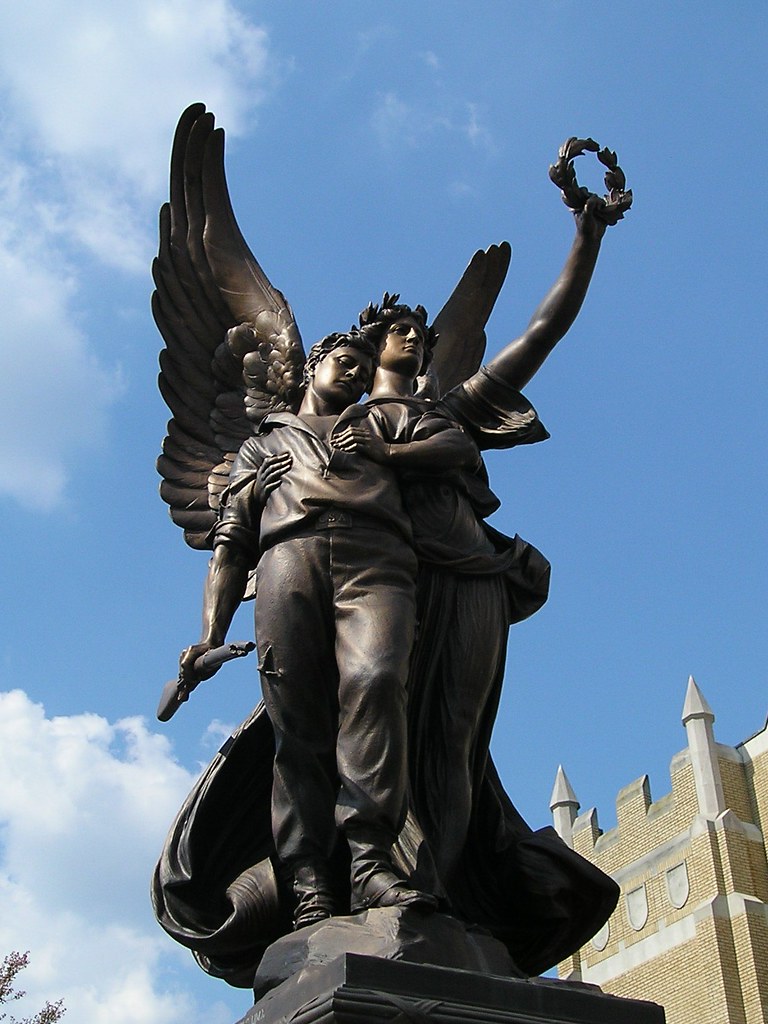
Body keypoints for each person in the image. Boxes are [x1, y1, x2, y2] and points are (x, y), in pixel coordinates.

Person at [178, 330, 477, 929]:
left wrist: (387, 453)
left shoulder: (381, 421)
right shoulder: (264, 444)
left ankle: (371, 862)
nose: (357, 376)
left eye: (365, 370)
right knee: (298, 725)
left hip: (377, 560)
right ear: (313, 365)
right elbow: (230, 544)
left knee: (378, 681)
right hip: (290, 560)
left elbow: (459, 448)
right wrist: (211, 634)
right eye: (345, 363)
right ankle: (308, 879)